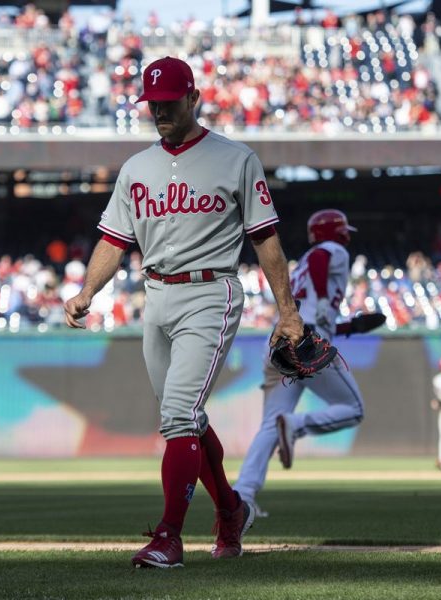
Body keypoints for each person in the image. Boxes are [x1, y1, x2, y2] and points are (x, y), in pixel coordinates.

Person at [63, 56, 304, 569]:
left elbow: (266, 240)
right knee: (185, 421)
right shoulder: (136, 167)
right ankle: (231, 510)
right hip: (157, 298)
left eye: (170, 102)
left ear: (194, 99)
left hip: (210, 292)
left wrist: (288, 311)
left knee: (177, 416)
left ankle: (169, 536)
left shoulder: (236, 159)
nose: (160, 111)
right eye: (153, 103)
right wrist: (87, 290)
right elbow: (113, 240)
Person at [235, 209, 375, 517]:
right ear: (335, 230)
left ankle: (242, 495)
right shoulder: (330, 250)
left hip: (279, 341)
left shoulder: (303, 266)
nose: (346, 235)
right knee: (353, 409)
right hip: (308, 343)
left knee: (270, 424)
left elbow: (313, 310)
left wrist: (350, 327)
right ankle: (296, 425)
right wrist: (325, 300)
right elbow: (323, 261)